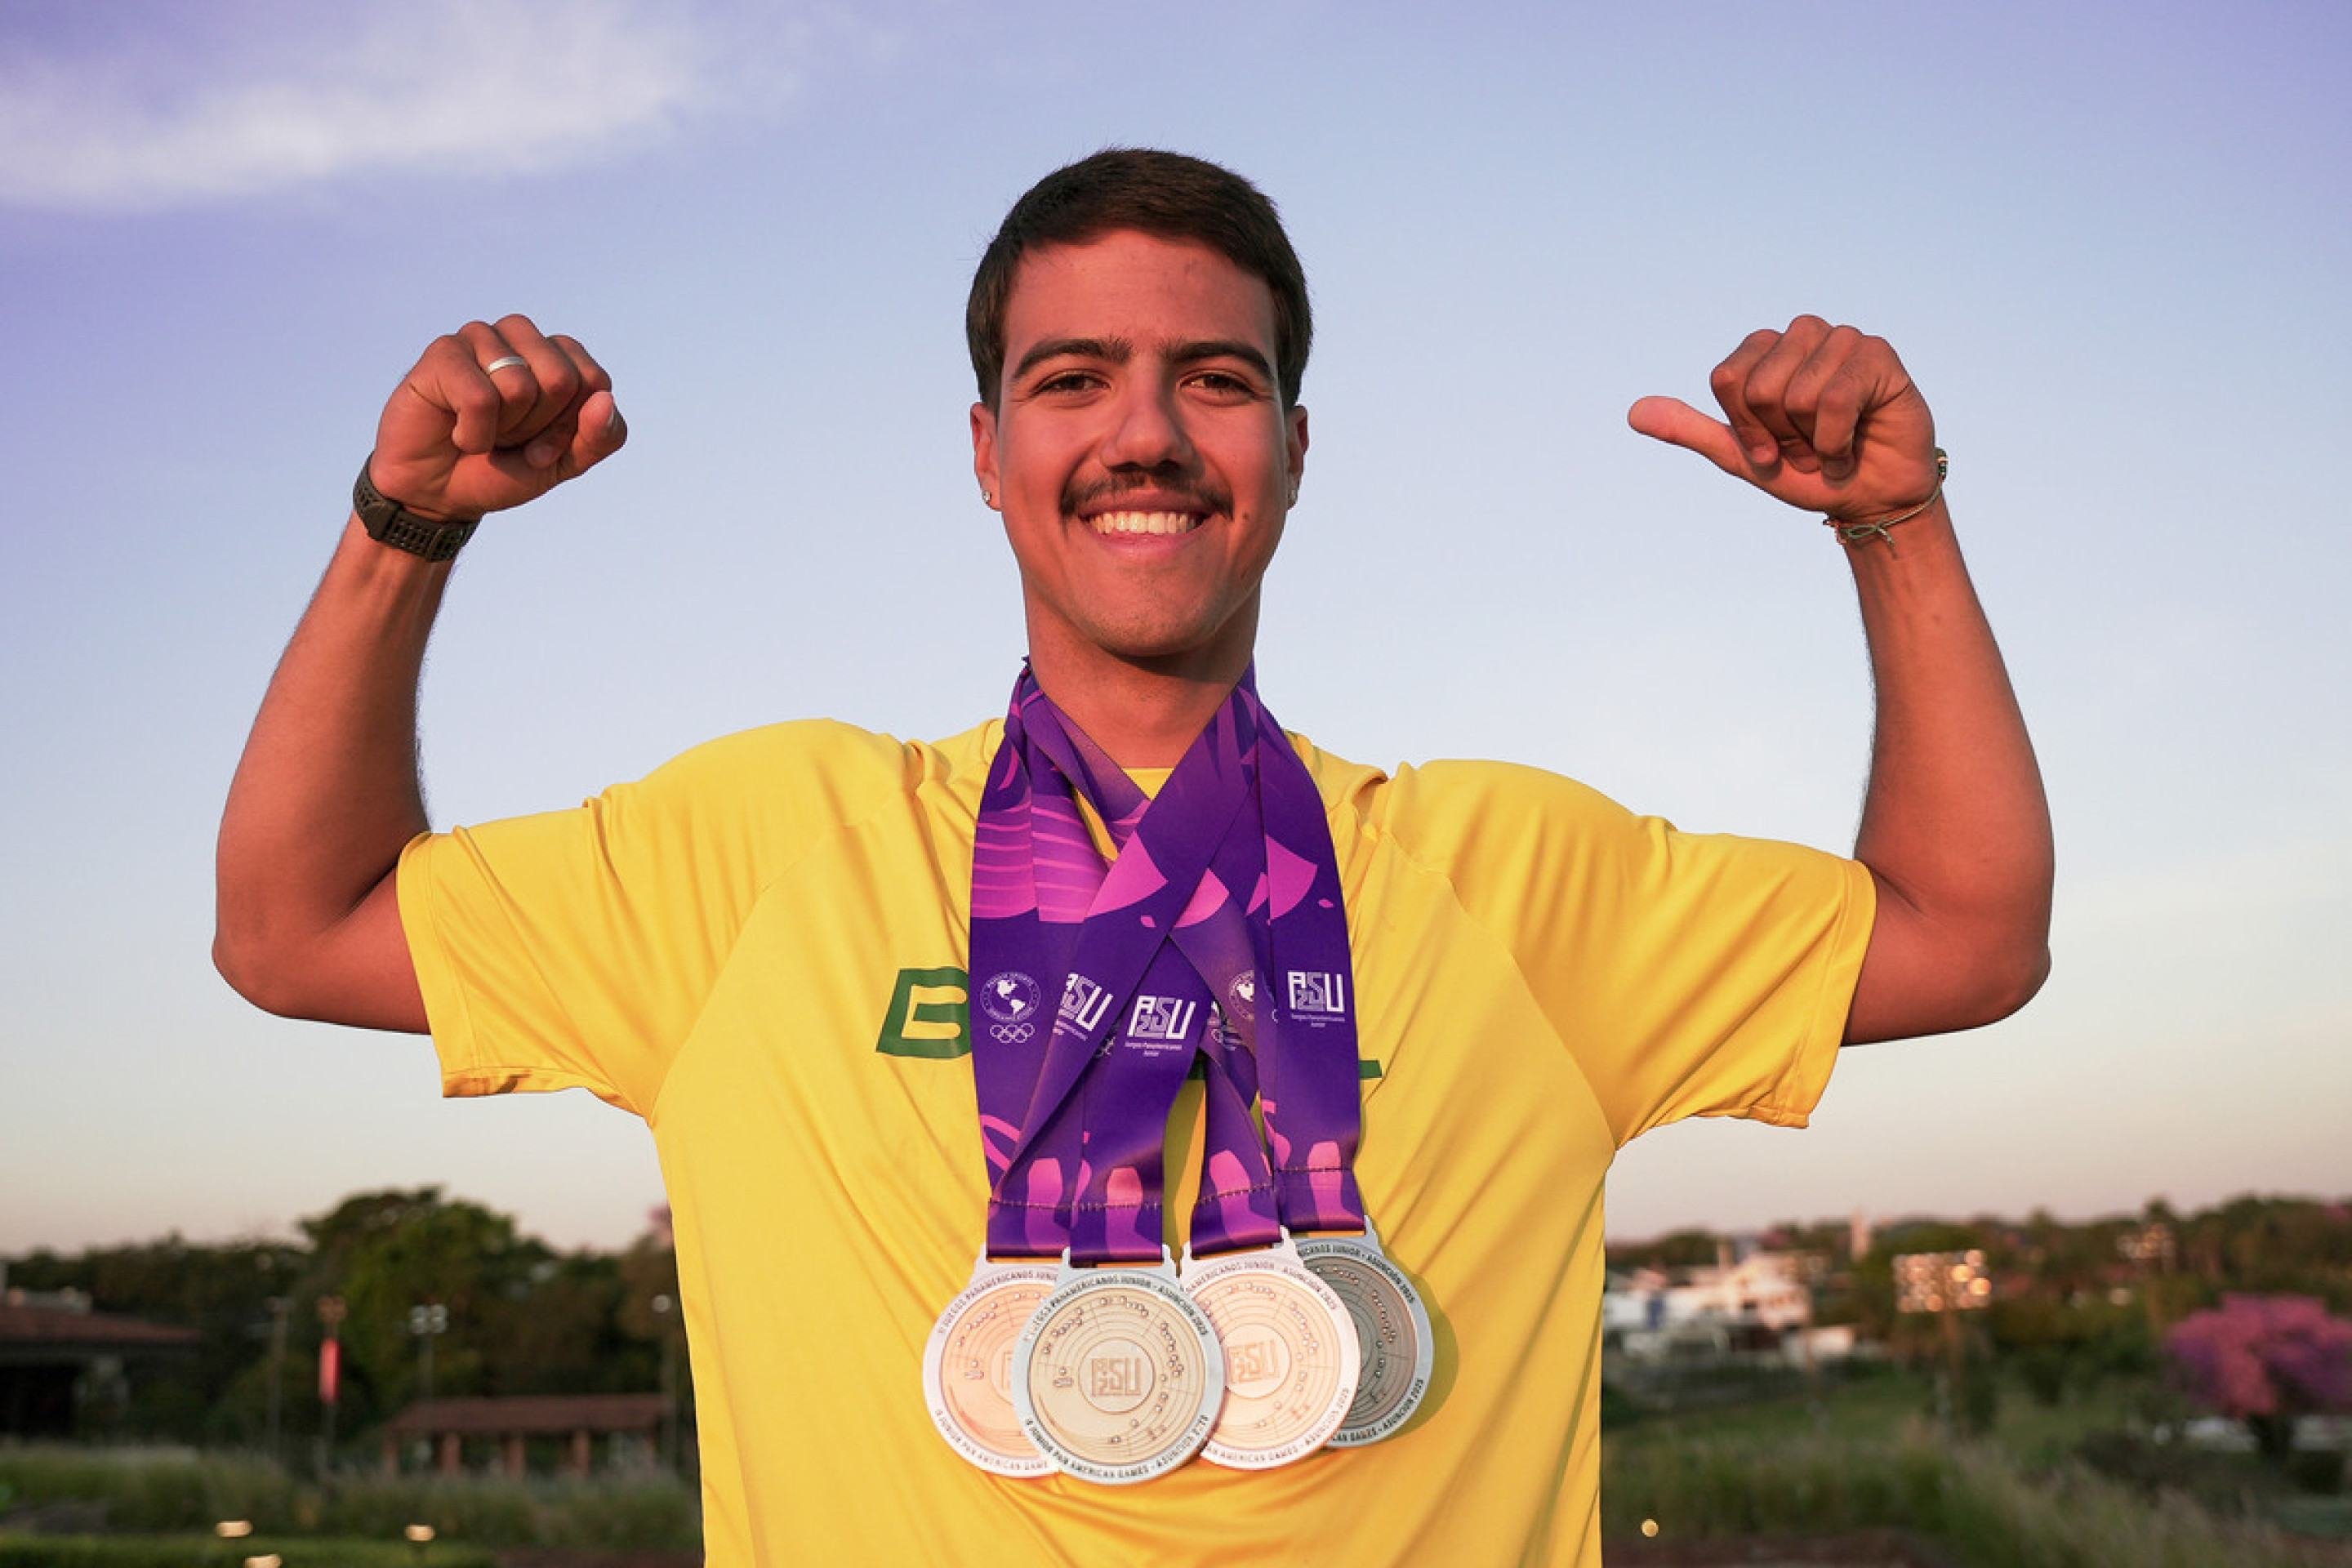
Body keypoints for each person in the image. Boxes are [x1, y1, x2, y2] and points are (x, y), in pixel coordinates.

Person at [214, 149, 2051, 1566]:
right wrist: (403, 535)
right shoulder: (762, 846)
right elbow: (294, 932)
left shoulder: (1512, 874)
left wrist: (1897, 525)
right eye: (1075, 378)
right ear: (991, 451)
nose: (1147, 432)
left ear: (1298, 448)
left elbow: (1969, 938)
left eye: (1217, 379)